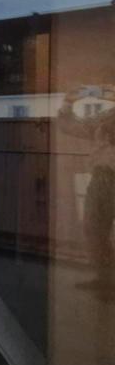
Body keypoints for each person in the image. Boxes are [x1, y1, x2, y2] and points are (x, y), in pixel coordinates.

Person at [58, 84, 115, 299]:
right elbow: (72, 127)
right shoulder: (106, 117)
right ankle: (105, 278)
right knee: (94, 229)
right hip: (101, 178)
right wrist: (68, 103)